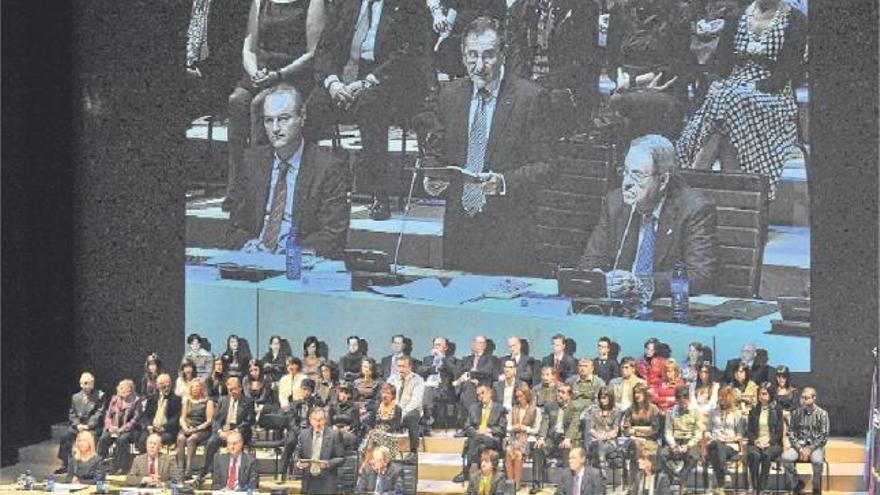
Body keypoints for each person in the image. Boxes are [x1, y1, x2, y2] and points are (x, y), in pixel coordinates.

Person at [423, 16, 553, 276]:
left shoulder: (530, 98)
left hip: (507, 235)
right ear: (462, 56)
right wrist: (432, 176)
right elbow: (437, 153)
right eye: (472, 56)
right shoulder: (449, 96)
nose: (479, 66)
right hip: (458, 232)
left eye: (488, 56)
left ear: (503, 55)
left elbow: (549, 166)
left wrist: (504, 182)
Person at [306, 0, 437, 221]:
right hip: (343, 78)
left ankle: (379, 194)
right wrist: (333, 83)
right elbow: (325, 48)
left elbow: (409, 54)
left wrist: (369, 81)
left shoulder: (408, 5)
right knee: (314, 106)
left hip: (386, 80)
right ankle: (308, 189)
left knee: (370, 106)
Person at [676, 0, 807, 201]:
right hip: (732, 89)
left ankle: (693, 181)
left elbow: (790, 71)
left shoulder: (795, 20)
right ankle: (737, 202)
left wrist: (752, 87)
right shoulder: (736, 15)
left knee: (727, 101)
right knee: (725, 101)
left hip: (773, 95)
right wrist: (720, 82)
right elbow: (722, 61)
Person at [578, 134, 719, 298]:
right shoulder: (616, 202)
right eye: (625, 172)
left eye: (637, 175)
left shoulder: (694, 208)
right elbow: (590, 260)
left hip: (664, 308)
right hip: (619, 306)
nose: (627, 183)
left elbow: (699, 275)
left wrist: (640, 284)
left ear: (663, 181)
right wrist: (600, 278)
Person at [223, 0, 327, 214]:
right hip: (261, 73)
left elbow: (313, 53)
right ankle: (235, 187)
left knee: (259, 104)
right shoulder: (260, 2)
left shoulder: (313, 3)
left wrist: (279, 75)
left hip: (293, 74)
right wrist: (253, 72)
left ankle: (259, 187)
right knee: (237, 101)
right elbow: (249, 48)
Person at [226, 84, 350, 257]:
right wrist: (247, 245)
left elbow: (333, 234)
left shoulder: (328, 166)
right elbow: (235, 228)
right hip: (254, 258)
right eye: (269, 120)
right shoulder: (251, 162)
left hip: (298, 262)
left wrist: (292, 252)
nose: (275, 129)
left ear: (302, 117)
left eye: (283, 119)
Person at [508, 0, 601, 136]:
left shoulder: (583, 7)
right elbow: (514, 55)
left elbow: (581, 64)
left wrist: (539, 86)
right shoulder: (521, 8)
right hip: (527, 89)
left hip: (562, 93)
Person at [605, 0, 693, 144]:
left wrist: (636, 82)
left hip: (664, 88)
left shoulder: (678, 11)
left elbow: (680, 65)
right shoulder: (621, 9)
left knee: (624, 104)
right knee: (619, 108)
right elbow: (612, 58)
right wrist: (620, 78)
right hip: (626, 86)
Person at [200, 377, 256, 483]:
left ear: (240, 388)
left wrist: (234, 432)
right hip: (224, 430)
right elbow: (216, 419)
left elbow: (249, 421)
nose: (232, 392)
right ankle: (206, 471)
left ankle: (238, 474)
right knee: (211, 442)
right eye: (230, 390)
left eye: (234, 389)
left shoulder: (248, 401)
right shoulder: (223, 400)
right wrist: (220, 432)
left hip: (240, 430)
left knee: (235, 441)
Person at [533, 384, 585, 491]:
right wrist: (541, 437)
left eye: (563, 392)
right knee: (538, 448)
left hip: (566, 438)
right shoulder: (550, 406)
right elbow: (545, 423)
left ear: (569, 396)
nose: (559, 394)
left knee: (568, 449)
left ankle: (565, 485)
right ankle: (536, 484)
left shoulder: (575, 407)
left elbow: (574, 425)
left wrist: (568, 438)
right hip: (552, 438)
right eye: (558, 391)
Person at [781, 387, 829, 495]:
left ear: (814, 398)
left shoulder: (822, 414)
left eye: (807, 398)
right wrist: (800, 448)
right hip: (799, 446)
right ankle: (797, 484)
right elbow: (791, 434)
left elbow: (824, 436)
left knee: (817, 461)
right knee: (785, 458)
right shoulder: (796, 414)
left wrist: (810, 449)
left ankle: (816, 489)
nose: (804, 400)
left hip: (815, 447)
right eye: (802, 398)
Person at [454, 385, 506, 483]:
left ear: (490, 394)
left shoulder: (500, 409)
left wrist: (488, 431)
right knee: (480, 444)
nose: (480, 397)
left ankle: (466, 471)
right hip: (477, 438)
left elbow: (502, 429)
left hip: (492, 439)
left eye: (483, 393)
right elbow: (467, 426)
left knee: (475, 441)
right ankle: (479, 475)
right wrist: (477, 432)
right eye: (478, 395)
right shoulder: (473, 408)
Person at [56, 372, 105, 475]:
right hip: (78, 426)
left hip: (92, 427)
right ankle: (66, 464)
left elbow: (99, 413)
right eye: (84, 383)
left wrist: (88, 426)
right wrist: (77, 425)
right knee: (65, 436)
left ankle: (91, 466)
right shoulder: (75, 397)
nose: (87, 385)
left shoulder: (100, 395)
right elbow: (72, 413)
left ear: (93, 384)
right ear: (81, 384)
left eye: (89, 383)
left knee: (92, 437)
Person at [659, 386, 704, 493]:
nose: (682, 400)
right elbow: (668, 432)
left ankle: (680, 481)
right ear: (676, 399)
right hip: (676, 441)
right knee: (662, 454)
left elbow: (698, 433)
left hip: (690, 441)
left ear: (688, 398)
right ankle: (675, 477)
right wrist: (673, 445)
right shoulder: (671, 412)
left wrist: (688, 445)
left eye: (685, 397)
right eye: (679, 398)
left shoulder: (696, 412)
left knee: (692, 456)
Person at [705, 385, 746, 495]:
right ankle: (725, 474)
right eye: (719, 396)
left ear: (730, 397)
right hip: (714, 441)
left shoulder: (737, 413)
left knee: (716, 450)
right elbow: (708, 430)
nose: (721, 398)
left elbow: (740, 434)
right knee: (716, 445)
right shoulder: (713, 412)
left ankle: (720, 485)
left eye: (724, 396)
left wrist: (729, 439)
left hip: (730, 445)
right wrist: (712, 437)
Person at [281, 378, 325, 479]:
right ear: (300, 390)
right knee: (290, 442)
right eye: (304, 389)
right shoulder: (295, 404)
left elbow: (318, 420)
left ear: (312, 391)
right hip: (297, 430)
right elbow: (291, 422)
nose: (306, 392)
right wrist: (298, 431)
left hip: (311, 431)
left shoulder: (316, 404)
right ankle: (281, 472)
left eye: (308, 390)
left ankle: (313, 472)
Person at [295, 408, 346, 495]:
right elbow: (297, 454)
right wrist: (298, 463)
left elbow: (341, 458)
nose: (318, 423)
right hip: (308, 481)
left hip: (327, 481)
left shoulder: (334, 435)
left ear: (325, 420)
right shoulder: (303, 434)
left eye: (320, 420)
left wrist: (328, 464)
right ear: (310, 420)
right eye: (315, 419)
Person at [97, 379, 142, 474]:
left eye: (125, 389)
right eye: (121, 388)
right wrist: (110, 427)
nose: (122, 391)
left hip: (130, 430)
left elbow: (135, 420)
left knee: (121, 440)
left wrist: (121, 429)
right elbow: (108, 416)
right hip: (114, 428)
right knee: (103, 438)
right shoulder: (114, 399)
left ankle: (124, 467)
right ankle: (100, 465)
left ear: (131, 390)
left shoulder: (137, 401)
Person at [455, 336, 500, 431]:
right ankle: (468, 426)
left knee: (469, 388)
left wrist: (471, 374)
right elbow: (460, 371)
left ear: (484, 345)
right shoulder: (466, 359)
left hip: (483, 385)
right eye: (475, 342)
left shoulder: (490, 359)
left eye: (479, 343)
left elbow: (487, 371)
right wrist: (469, 378)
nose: (476, 345)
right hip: (466, 385)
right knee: (467, 387)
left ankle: (469, 426)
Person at [747, 382, 784, 495]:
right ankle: (755, 487)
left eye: (764, 394)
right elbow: (749, 431)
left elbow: (779, 431)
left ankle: (762, 489)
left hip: (773, 443)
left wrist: (769, 441)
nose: (761, 396)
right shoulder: (754, 409)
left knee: (766, 455)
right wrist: (755, 441)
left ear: (770, 395)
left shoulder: (776, 409)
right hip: (757, 442)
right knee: (754, 455)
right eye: (760, 394)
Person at [385, 356, 425, 455]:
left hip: (410, 410)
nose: (400, 369)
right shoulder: (392, 379)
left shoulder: (418, 380)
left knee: (412, 416)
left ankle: (413, 451)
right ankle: (384, 450)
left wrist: (402, 413)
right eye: (398, 366)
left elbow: (416, 401)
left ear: (410, 367)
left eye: (403, 366)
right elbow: (386, 396)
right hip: (395, 409)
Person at [176, 378, 215, 478]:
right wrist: (185, 428)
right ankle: (180, 469)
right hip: (187, 427)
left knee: (191, 439)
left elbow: (209, 421)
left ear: (202, 388)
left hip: (202, 429)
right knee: (180, 439)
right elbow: (182, 418)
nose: (195, 389)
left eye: (197, 387)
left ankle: (189, 470)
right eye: (192, 387)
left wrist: (195, 429)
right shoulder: (187, 401)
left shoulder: (208, 402)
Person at [505, 385, 541, 491]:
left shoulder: (535, 410)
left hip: (528, 439)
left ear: (526, 396)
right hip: (514, 437)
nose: (518, 399)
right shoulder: (513, 409)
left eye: (521, 396)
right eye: (517, 397)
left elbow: (537, 429)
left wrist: (525, 428)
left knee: (518, 454)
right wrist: (514, 427)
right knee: (508, 451)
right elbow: (508, 427)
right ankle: (510, 484)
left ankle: (517, 484)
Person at [418, 337, 458, 431]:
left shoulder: (451, 359)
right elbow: (420, 371)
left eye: (439, 345)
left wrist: (442, 358)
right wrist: (434, 369)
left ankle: (427, 422)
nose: (436, 347)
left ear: (446, 348)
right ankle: (424, 422)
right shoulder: (428, 359)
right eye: (435, 345)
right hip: (427, 384)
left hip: (442, 387)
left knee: (428, 391)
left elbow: (454, 371)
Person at [622, 383, 662, 476]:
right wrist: (639, 431)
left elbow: (655, 430)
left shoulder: (653, 409)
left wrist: (636, 429)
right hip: (633, 440)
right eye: (635, 393)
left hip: (650, 440)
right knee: (635, 445)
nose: (637, 395)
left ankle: (646, 478)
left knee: (644, 448)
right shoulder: (630, 409)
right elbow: (626, 430)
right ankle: (634, 480)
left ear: (645, 394)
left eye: (639, 393)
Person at [359, 383, 403, 465]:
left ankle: (365, 464)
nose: (385, 395)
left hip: (389, 436)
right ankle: (368, 464)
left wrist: (380, 432)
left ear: (393, 396)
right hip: (375, 434)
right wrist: (371, 430)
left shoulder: (397, 409)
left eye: (388, 393)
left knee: (372, 440)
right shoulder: (376, 407)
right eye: (383, 393)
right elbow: (370, 422)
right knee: (372, 437)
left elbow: (395, 426)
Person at [582, 386, 621, 475]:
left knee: (601, 447)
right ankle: (602, 471)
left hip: (610, 441)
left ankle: (600, 472)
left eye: (604, 398)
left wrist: (605, 436)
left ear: (610, 398)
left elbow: (615, 430)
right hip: (595, 439)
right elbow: (590, 429)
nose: (602, 400)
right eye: (600, 398)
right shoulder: (594, 411)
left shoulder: (616, 411)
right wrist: (598, 436)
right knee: (599, 445)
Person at [138, 373, 182, 451]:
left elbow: (176, 418)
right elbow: (146, 415)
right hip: (152, 429)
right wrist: (148, 426)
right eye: (162, 385)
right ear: (157, 386)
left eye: (168, 385)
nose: (166, 387)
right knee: (142, 440)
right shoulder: (152, 398)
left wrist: (163, 427)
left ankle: (159, 462)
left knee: (158, 441)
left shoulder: (176, 399)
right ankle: (146, 461)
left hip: (166, 430)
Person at [331, 383, 361, 451]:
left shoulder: (354, 407)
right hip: (334, 430)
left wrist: (348, 428)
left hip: (348, 432)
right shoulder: (333, 406)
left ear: (349, 395)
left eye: (346, 393)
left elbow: (356, 425)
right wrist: (334, 428)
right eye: (341, 392)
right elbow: (329, 423)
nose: (343, 394)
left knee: (344, 437)